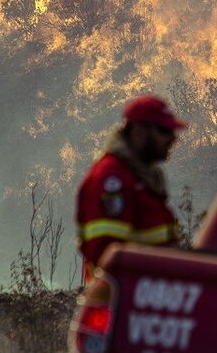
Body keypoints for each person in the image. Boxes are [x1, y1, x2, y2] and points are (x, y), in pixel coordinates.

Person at [76, 95, 187, 281]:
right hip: (120, 303)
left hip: (148, 297)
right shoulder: (113, 179)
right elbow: (106, 255)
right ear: (139, 132)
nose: (172, 139)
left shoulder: (140, 178)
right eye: (164, 131)